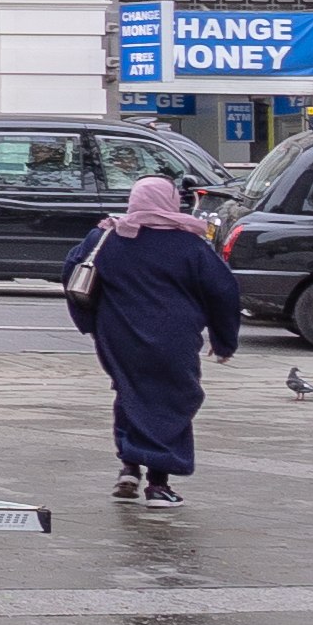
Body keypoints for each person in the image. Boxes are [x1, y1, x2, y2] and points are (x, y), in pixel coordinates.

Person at [65, 175, 242, 505]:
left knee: (130, 393)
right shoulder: (190, 245)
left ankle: (129, 467)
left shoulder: (105, 236)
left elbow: (73, 277)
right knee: (172, 401)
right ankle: (159, 484)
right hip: (173, 338)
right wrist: (224, 341)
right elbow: (224, 292)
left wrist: (91, 324)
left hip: (118, 337)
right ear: (171, 201)